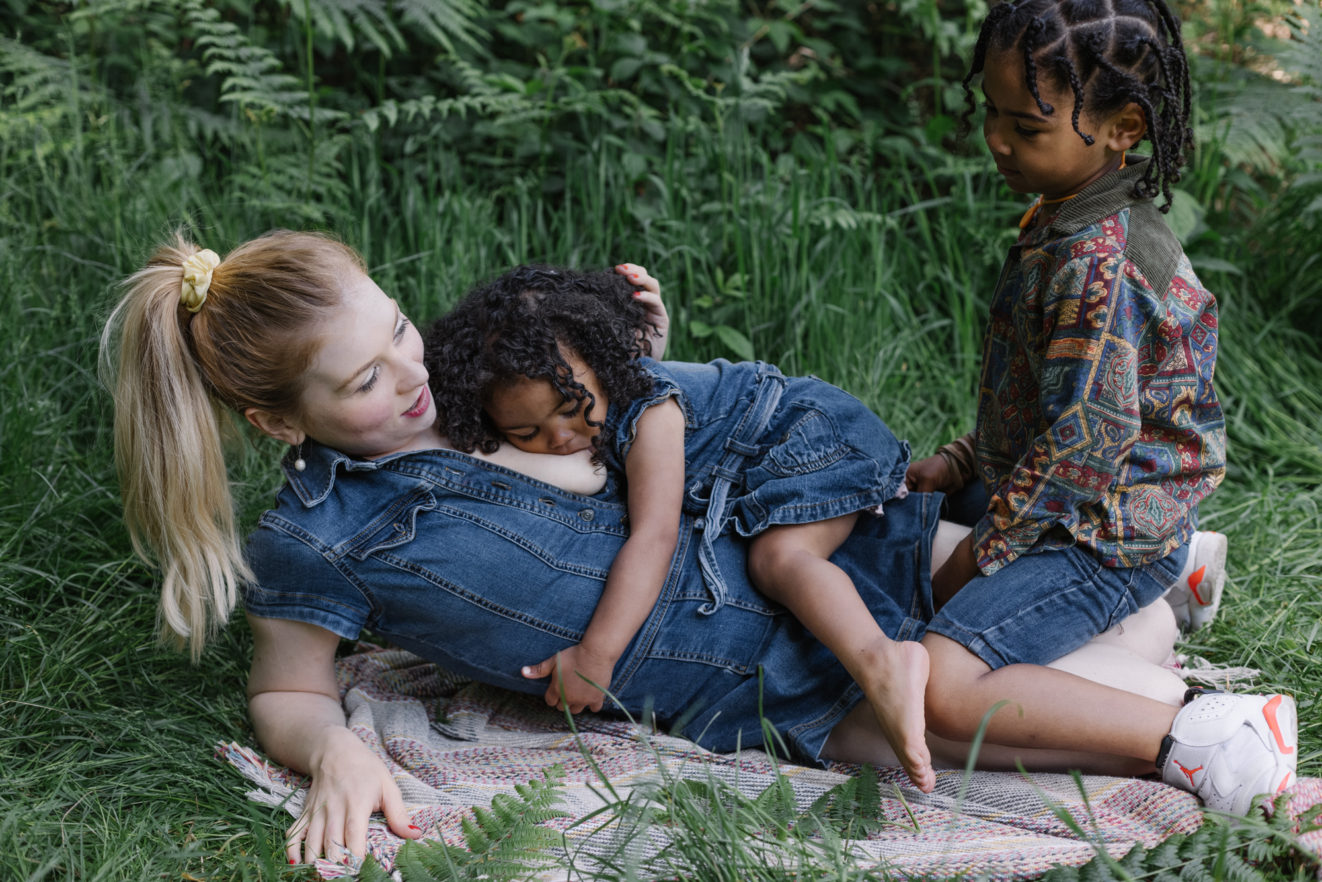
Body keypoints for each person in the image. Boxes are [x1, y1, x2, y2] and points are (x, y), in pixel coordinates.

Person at [100, 230, 1282, 870]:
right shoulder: (316, 538)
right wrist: (335, 757)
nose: (412, 376)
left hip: (759, 535)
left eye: (400, 331)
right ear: (275, 421)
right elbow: (288, 689)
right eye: (364, 380)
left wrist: (630, 350)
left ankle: (1135, 579)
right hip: (729, 668)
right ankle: (1180, 721)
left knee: (941, 577)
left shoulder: (458, 390)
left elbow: (601, 426)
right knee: (903, 729)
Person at [904, 0, 1296, 817]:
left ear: (1121, 128)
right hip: (1084, 487)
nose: (999, 142)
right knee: (907, 512)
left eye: (1027, 127)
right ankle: (1180, 562)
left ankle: (1199, 735)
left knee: (940, 676)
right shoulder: (1069, 215)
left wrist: (971, 562)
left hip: (1100, 521)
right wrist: (967, 463)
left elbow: (1083, 448)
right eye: (993, 116)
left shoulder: (1097, 264)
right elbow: (1054, 398)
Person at [424, 264, 933, 792]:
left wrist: (597, 654)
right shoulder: (591, 400)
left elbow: (655, 537)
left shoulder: (651, 412)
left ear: (606, 368)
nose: (561, 437)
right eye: (526, 432)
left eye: (574, 409)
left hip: (808, 435)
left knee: (778, 559)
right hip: (764, 464)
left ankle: (880, 659)